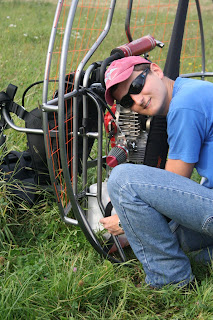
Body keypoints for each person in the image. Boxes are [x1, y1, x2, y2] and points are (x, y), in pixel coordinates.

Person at [99, 55, 213, 288]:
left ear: (156, 70)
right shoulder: (192, 91)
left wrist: (124, 221)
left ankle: (171, 281)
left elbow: (172, 184)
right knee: (165, 236)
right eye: (127, 102)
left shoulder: (185, 105)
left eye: (137, 86)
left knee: (123, 181)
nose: (137, 100)